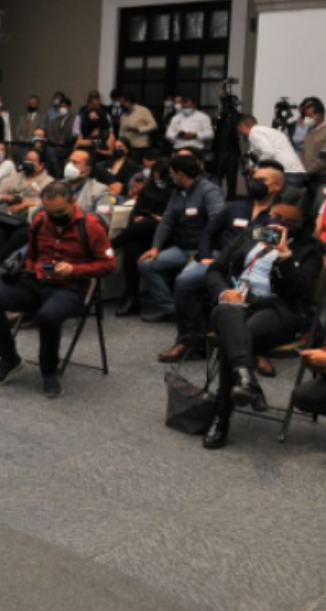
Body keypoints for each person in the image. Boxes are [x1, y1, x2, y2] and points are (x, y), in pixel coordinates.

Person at [201, 201, 323, 449]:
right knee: (229, 318)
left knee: (235, 338)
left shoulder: (310, 250)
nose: (278, 223)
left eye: (289, 222)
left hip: (277, 310)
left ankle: (221, 415)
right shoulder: (249, 235)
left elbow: (298, 291)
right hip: (233, 303)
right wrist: (224, 292)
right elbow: (216, 270)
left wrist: (285, 256)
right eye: (275, 216)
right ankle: (247, 381)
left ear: (301, 226)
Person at [0, 182, 117, 398]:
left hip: (71, 287)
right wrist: (33, 268)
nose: (54, 216)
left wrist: (73, 269)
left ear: (73, 202)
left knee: (48, 316)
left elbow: (109, 265)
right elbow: (32, 255)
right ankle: (9, 358)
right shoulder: (40, 220)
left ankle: (49, 370)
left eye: (60, 212)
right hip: (37, 281)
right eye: (49, 211)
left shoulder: (91, 226)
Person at [157, 161, 288, 362]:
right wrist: (205, 255)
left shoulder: (281, 215)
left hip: (254, 269)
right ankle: (188, 341)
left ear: (277, 185)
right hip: (221, 261)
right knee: (185, 281)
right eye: (254, 179)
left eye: (262, 180)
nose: (255, 183)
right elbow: (208, 233)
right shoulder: (235, 207)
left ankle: (255, 348)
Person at [138, 154, 226, 323]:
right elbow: (167, 221)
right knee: (147, 264)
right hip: (182, 247)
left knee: (184, 279)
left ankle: (190, 317)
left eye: (172, 173)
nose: (170, 177)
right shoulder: (177, 193)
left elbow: (217, 224)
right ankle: (171, 309)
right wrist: (155, 247)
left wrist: (203, 252)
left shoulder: (209, 191)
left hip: (205, 250)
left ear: (181, 174)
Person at [112, 158, 174, 317]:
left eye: (161, 178)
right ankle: (131, 296)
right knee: (132, 247)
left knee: (147, 224)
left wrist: (152, 217)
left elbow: (171, 216)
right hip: (144, 233)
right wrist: (137, 217)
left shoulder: (175, 192)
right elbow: (136, 210)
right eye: (155, 177)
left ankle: (110, 245)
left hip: (167, 235)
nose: (158, 181)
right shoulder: (147, 189)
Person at [0, 149, 53, 263]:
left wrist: (25, 204)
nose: (27, 162)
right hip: (10, 216)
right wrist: (7, 198)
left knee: (18, 237)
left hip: (29, 219)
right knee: (0, 233)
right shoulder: (16, 176)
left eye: (32, 160)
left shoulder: (48, 181)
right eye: (26, 159)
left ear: (41, 165)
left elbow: (47, 203)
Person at [238, 114, 305, 187]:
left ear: (243, 126)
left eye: (239, 129)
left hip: (287, 173)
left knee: (282, 197)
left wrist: (258, 168)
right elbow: (256, 153)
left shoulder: (254, 132)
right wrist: (252, 166)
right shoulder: (267, 131)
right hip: (294, 170)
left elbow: (268, 152)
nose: (240, 133)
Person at [299, 97, 326, 203]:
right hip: (308, 177)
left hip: (321, 177)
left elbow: (323, 159)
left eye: (309, 116)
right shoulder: (310, 131)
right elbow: (304, 152)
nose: (306, 119)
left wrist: (308, 171)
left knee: (318, 207)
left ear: (318, 115)